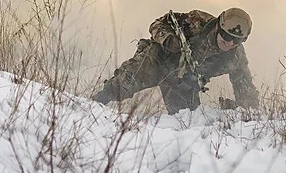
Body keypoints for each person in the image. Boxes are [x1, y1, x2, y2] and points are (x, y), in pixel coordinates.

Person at [91, 7, 260, 114]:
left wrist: (239, 109)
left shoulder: (236, 57)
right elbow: (157, 25)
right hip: (157, 60)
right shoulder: (197, 22)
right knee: (122, 86)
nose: (229, 42)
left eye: (236, 40)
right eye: (226, 35)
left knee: (187, 121)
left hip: (183, 84)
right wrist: (168, 39)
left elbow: (246, 91)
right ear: (218, 27)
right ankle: (91, 106)